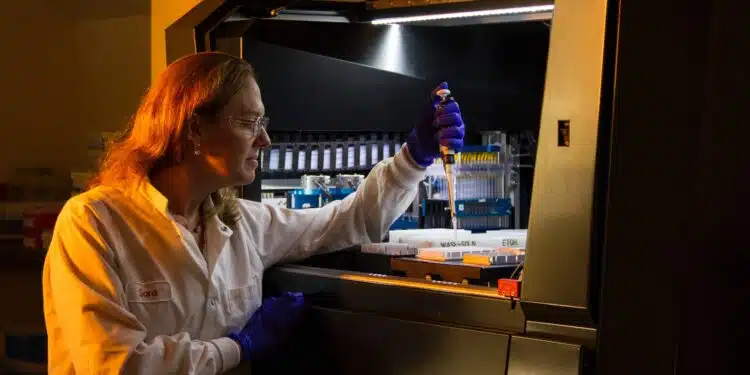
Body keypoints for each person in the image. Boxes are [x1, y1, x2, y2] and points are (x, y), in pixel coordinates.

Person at [42, 52, 465, 374]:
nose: (264, 140)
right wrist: (240, 347)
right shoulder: (94, 223)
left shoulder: (242, 222)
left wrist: (414, 157)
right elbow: (114, 364)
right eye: (249, 122)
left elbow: (348, 221)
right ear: (193, 128)